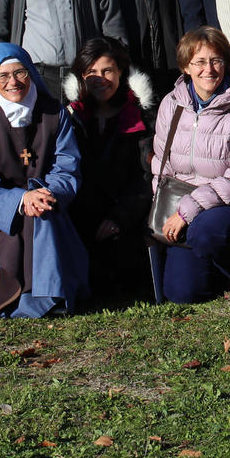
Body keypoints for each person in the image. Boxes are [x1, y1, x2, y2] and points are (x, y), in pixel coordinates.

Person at [0, 43, 90, 318]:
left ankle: (49, 297)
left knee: (40, 215)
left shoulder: (54, 114)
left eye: (20, 72)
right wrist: (19, 200)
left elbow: (67, 166)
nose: (13, 82)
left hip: (47, 206)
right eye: (3, 76)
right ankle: (15, 299)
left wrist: (46, 193)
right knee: (25, 216)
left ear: (31, 73)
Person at [146, 26, 230, 303]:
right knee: (183, 294)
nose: (209, 69)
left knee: (205, 231)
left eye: (216, 60)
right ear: (186, 67)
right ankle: (212, 267)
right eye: (199, 62)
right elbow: (162, 164)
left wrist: (187, 211)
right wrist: (160, 209)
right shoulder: (171, 104)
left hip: (226, 207)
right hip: (180, 204)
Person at [63, 36, 158, 295]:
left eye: (107, 70)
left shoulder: (141, 117)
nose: (100, 78)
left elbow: (147, 177)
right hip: (83, 211)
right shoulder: (71, 117)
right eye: (91, 72)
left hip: (127, 214)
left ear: (121, 73)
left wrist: (120, 217)